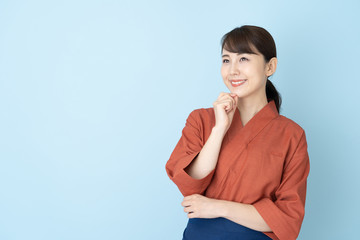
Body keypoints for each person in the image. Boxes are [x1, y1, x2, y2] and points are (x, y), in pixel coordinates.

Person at [165, 25, 310, 240]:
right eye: (226, 60)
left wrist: (218, 207)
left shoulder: (292, 135)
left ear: (270, 67)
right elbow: (190, 183)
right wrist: (219, 129)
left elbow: (288, 218)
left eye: (243, 59)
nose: (232, 70)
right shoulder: (201, 120)